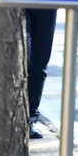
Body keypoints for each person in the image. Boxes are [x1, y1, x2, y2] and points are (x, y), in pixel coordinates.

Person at [25, 9, 58, 139]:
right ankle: (11, 116)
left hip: (47, 3)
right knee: (21, 58)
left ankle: (29, 119)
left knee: (39, 63)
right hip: (18, 0)